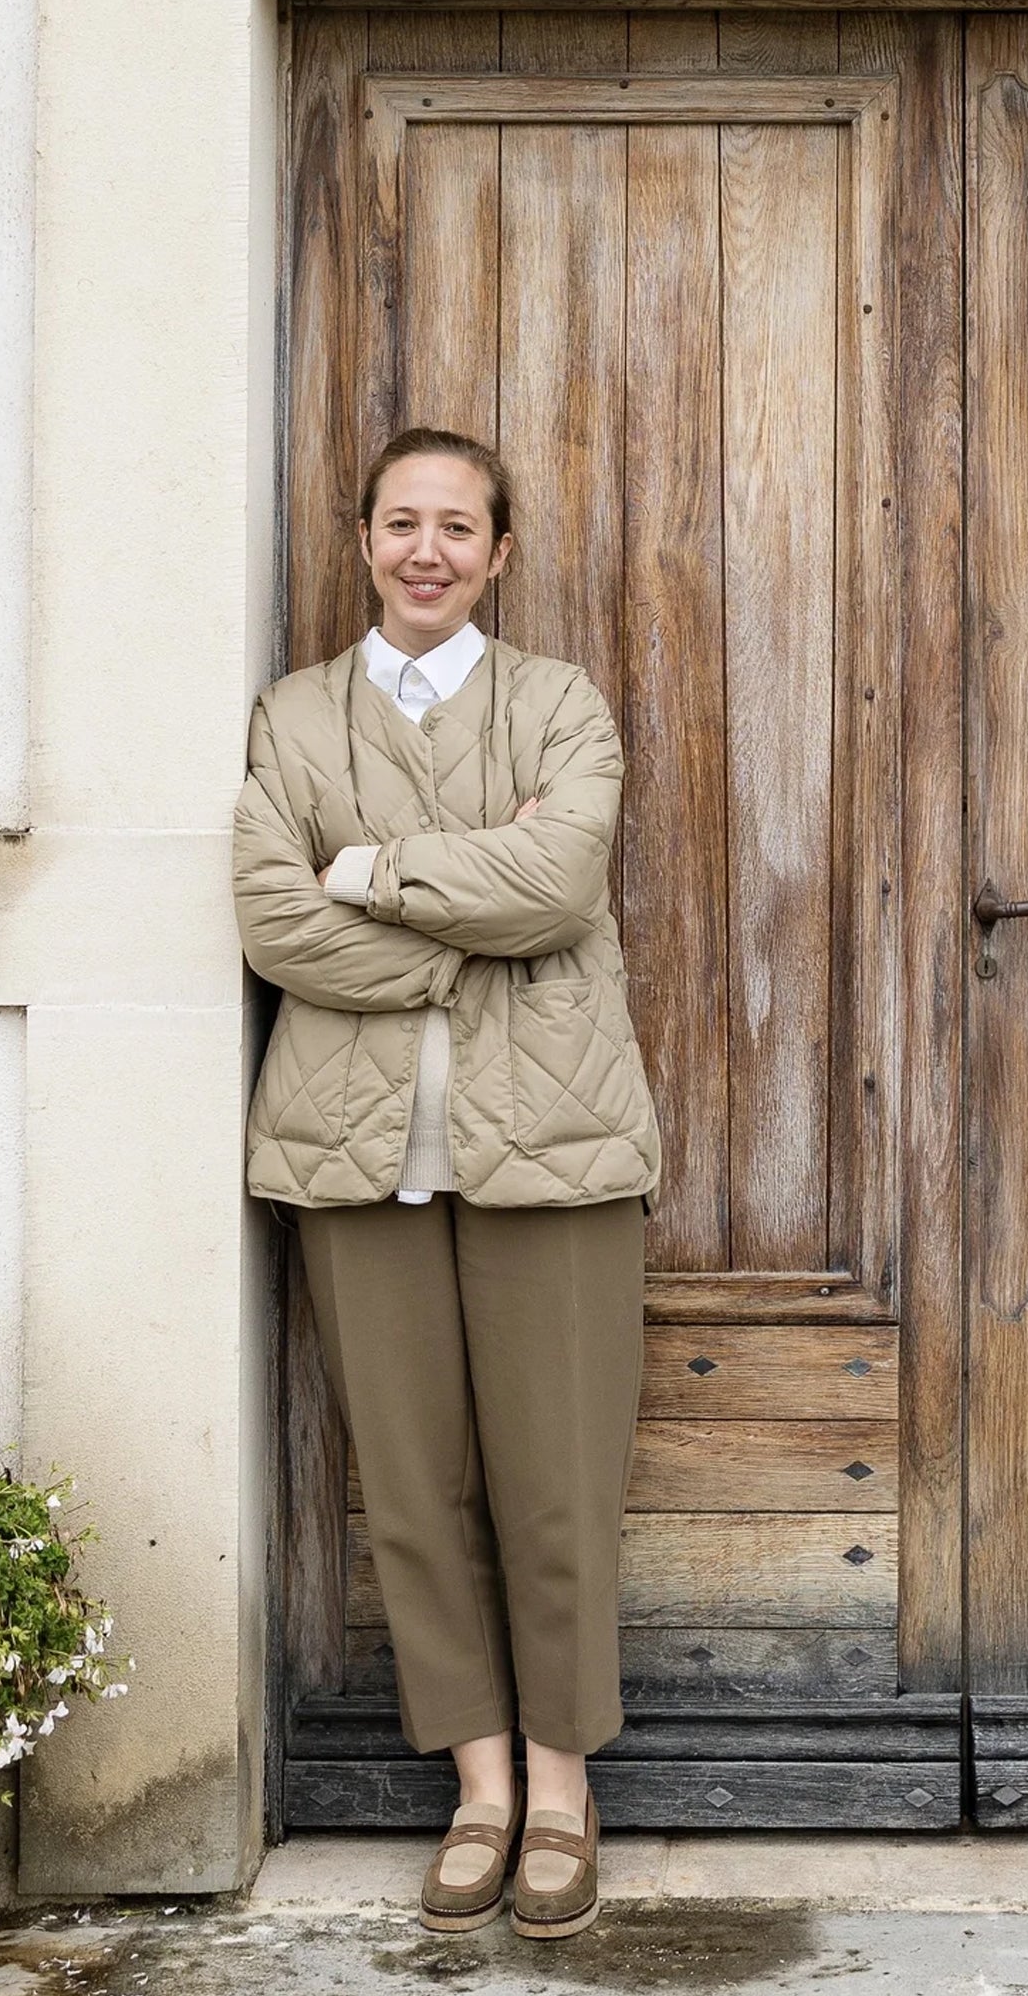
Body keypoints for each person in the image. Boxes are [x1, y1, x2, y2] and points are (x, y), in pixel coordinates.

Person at [233, 428, 660, 1939]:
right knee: (412, 1492)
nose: (427, 550)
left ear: (499, 551)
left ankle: (561, 1788)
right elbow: (276, 922)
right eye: (401, 522)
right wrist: (458, 899)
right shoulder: (291, 717)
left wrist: (368, 868)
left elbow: (561, 883)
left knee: (555, 1487)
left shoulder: (559, 705)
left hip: (556, 1145)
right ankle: (476, 1785)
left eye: (457, 527)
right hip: (352, 1157)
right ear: (362, 539)